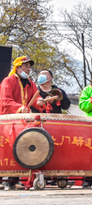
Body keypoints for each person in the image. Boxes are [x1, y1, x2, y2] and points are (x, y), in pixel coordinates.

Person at [0, 56, 41, 191]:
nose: (29, 69)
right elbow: (5, 101)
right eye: (26, 66)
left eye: (29, 67)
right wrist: (19, 107)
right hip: (6, 121)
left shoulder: (31, 83)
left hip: (21, 123)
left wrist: (40, 102)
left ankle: (12, 181)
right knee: (3, 152)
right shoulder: (8, 81)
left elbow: (36, 97)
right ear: (18, 68)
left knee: (18, 150)